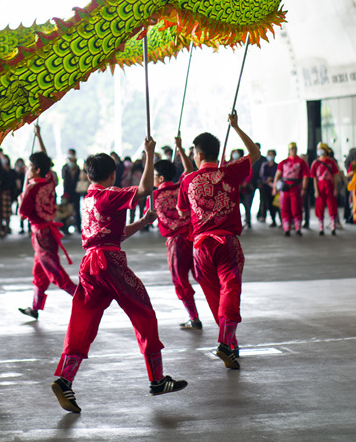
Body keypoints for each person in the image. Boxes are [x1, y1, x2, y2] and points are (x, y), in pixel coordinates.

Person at [51, 139, 187, 413]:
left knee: (83, 321)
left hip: (90, 265)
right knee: (143, 311)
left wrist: (141, 222)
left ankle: (65, 379)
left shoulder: (88, 199)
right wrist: (149, 154)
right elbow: (147, 188)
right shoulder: (109, 195)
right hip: (108, 263)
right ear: (112, 175)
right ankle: (157, 379)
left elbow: (115, 234)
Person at [178, 112, 257, 370]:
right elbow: (254, 153)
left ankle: (230, 344)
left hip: (200, 248)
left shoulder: (187, 180)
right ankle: (226, 341)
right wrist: (236, 127)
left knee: (215, 297)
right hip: (227, 244)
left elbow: (182, 212)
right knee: (230, 291)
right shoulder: (230, 173)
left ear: (198, 155)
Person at [18, 125, 76, 319]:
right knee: (40, 271)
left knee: (53, 272)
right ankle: (35, 307)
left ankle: (80, 296)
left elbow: (22, 212)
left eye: (31, 167)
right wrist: (39, 136)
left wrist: (22, 193)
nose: (28, 169)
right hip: (47, 232)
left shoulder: (32, 188)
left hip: (41, 235)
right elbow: (46, 161)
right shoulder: (50, 179)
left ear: (36, 170)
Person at [148, 136, 200, 329]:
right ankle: (219, 310)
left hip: (176, 242)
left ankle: (194, 317)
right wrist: (180, 148)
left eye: (154, 175)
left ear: (160, 178)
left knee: (180, 280)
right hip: (194, 237)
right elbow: (190, 171)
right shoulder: (182, 187)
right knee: (202, 275)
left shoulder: (154, 196)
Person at [274, 142, 310, 237]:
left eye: (295, 148)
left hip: (296, 187)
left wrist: (304, 188)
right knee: (285, 208)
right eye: (292, 149)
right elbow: (277, 175)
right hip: (285, 188)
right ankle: (286, 228)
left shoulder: (301, 162)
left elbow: (306, 176)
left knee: (296, 208)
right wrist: (275, 187)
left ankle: (298, 228)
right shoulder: (283, 162)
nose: (293, 150)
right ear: (289, 150)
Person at [310, 143, 341, 236]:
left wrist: (335, 189)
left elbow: (335, 176)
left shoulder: (331, 162)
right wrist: (316, 190)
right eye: (318, 149)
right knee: (320, 206)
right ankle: (321, 227)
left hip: (329, 185)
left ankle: (333, 226)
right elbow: (314, 178)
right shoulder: (315, 163)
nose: (320, 151)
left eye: (322, 149)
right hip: (320, 185)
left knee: (332, 205)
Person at [61, 149, 83, 233]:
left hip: (76, 192)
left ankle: (78, 226)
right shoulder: (65, 167)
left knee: (77, 209)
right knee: (66, 209)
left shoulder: (77, 167)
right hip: (67, 191)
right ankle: (65, 227)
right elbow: (64, 178)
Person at [258, 150, 279, 227]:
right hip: (266, 188)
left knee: (277, 205)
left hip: (275, 188)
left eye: (272, 155)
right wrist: (267, 179)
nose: (270, 156)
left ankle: (281, 220)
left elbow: (278, 176)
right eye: (269, 154)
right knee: (268, 204)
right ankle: (273, 220)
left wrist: (272, 179)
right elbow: (262, 176)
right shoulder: (265, 165)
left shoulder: (277, 166)